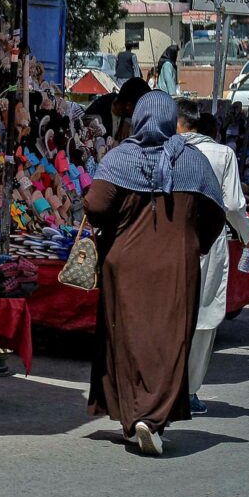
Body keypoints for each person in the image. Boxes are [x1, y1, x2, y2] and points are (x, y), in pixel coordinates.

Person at [85, 91, 226, 456]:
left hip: (124, 266)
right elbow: (215, 215)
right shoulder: (193, 162)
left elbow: (96, 205)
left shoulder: (120, 157)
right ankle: (152, 419)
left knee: (126, 340)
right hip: (176, 268)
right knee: (168, 340)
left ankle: (134, 418)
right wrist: (194, 243)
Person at [176, 102, 249, 414]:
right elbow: (235, 206)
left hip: (168, 241)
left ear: (178, 123)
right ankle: (189, 391)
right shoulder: (222, 155)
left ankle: (165, 388)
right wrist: (247, 236)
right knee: (203, 317)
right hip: (208, 243)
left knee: (171, 314)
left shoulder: (165, 149)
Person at [84, 77, 151, 142]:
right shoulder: (97, 113)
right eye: (141, 108)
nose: (142, 113)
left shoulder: (126, 114)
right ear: (129, 106)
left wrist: (128, 120)